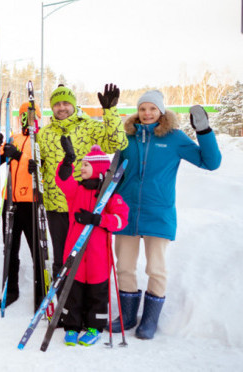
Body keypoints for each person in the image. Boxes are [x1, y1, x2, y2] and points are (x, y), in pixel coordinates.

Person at [111, 92, 222, 340]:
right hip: (126, 213)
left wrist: (203, 132)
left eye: (152, 108)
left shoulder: (174, 138)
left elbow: (211, 163)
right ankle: (127, 316)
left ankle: (149, 321)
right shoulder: (127, 138)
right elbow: (114, 173)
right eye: (143, 109)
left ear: (161, 111)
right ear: (137, 111)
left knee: (156, 269)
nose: (147, 113)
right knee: (125, 267)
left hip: (158, 213)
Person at [37, 84, 127, 277]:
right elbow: (41, 165)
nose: (62, 107)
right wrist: (34, 166)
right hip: (55, 206)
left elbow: (117, 143)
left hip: (84, 204)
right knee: (60, 257)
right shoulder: (43, 134)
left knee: (86, 256)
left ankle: (85, 300)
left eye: (66, 103)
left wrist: (110, 112)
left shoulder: (90, 126)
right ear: (52, 108)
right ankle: (61, 301)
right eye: (57, 104)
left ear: (74, 105)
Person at [56, 140, 129, 346]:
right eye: (82, 165)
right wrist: (67, 162)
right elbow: (62, 179)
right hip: (75, 252)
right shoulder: (76, 191)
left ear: (98, 169)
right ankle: (72, 326)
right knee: (74, 292)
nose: (82, 168)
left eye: (86, 165)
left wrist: (99, 220)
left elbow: (121, 220)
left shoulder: (110, 197)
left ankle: (93, 327)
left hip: (99, 256)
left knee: (97, 295)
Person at [0, 103, 44, 311]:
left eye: (31, 116)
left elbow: (41, 166)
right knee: (10, 249)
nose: (27, 120)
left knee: (36, 250)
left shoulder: (41, 141)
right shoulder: (15, 139)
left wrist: (20, 156)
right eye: (23, 116)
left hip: (32, 202)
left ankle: (41, 293)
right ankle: (10, 289)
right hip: (10, 202)